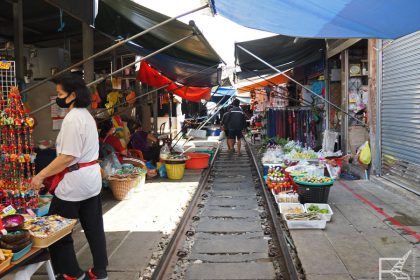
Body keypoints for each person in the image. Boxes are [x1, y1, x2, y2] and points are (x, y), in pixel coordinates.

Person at [30, 73, 108, 280]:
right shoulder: (86, 116)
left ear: (72, 95)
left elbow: (68, 157)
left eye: (60, 93)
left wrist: (40, 176)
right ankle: (100, 271)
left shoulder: (73, 119)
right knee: (94, 227)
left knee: (57, 230)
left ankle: (71, 273)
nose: (58, 97)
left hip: (75, 183)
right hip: (90, 181)